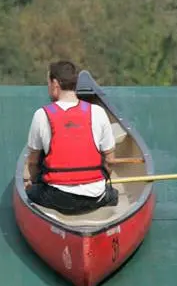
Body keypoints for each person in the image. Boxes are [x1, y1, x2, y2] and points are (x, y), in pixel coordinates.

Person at [23, 61, 119, 215]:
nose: (48, 87)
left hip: (57, 198)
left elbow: (33, 162)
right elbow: (110, 160)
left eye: (48, 83)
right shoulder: (98, 112)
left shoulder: (41, 115)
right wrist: (102, 180)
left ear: (55, 83)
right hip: (95, 198)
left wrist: (32, 183)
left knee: (31, 191)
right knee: (113, 195)